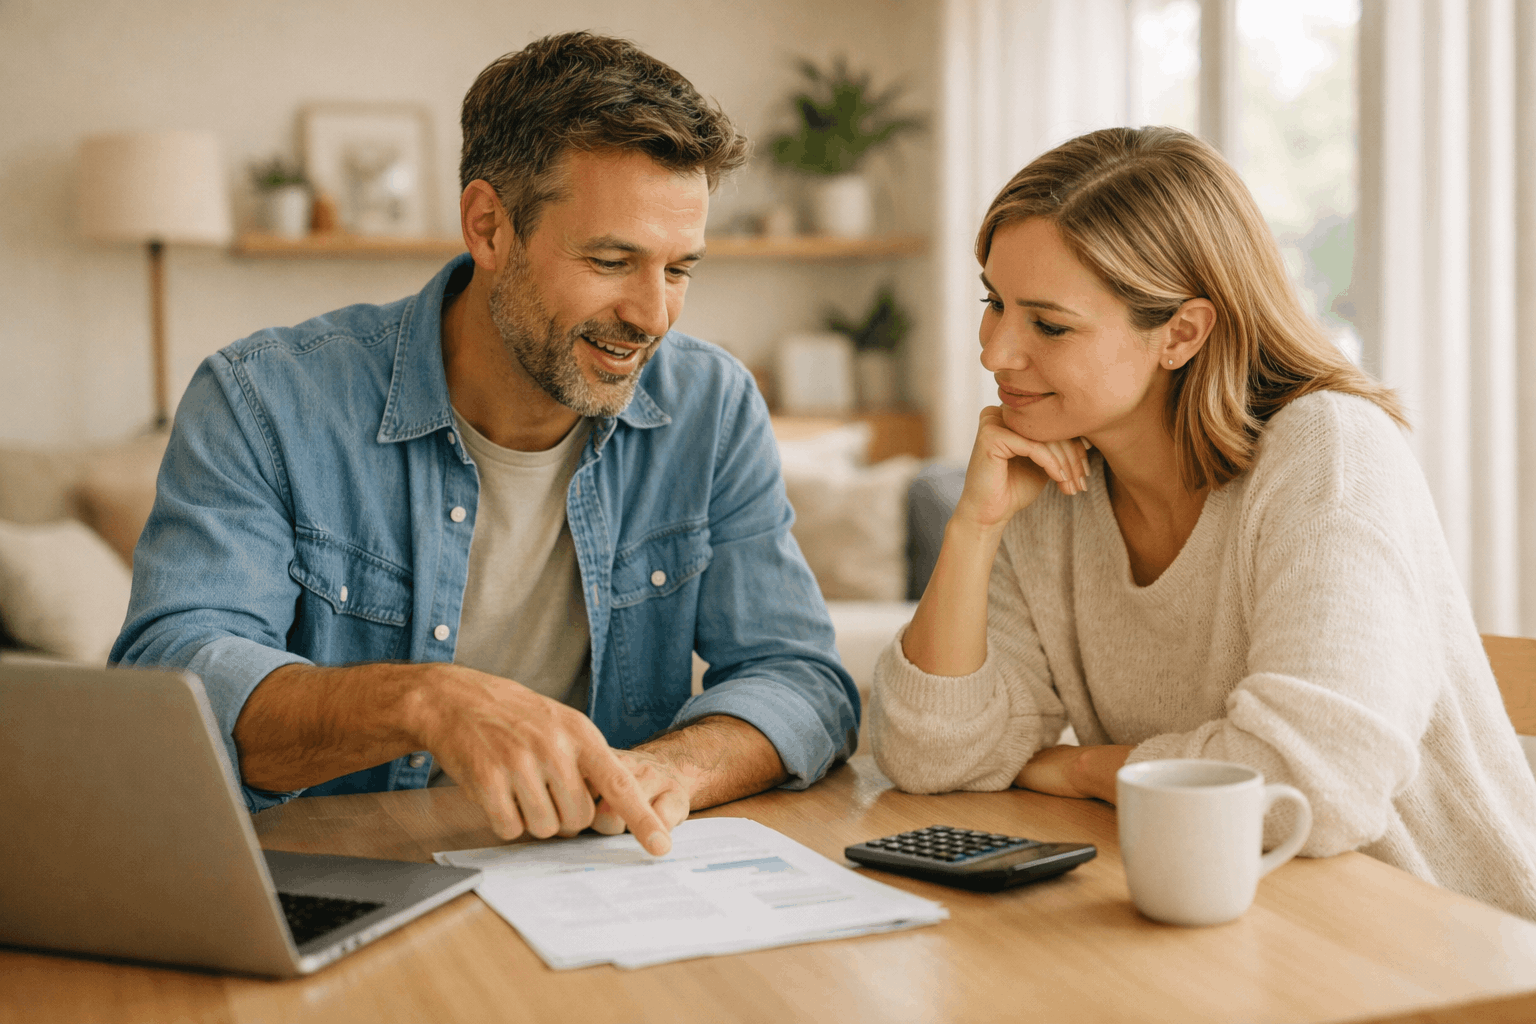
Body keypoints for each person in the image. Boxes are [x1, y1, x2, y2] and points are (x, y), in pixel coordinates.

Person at [112, 32, 858, 858]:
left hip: (595, 880)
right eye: (612, 260)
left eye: (679, 270)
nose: (653, 316)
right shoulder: (265, 400)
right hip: (343, 874)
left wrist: (667, 771)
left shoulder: (712, 406)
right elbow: (172, 687)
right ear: (488, 226)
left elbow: (800, 678)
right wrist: (424, 702)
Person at [869, 126, 1536, 918]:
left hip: (1444, 935)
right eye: (994, 304)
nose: (995, 353)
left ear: (1182, 333)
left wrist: (1081, 768)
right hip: (1240, 923)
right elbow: (932, 755)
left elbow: (1315, 787)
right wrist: (974, 528)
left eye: (1048, 324)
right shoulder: (1049, 481)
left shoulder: (1328, 451)